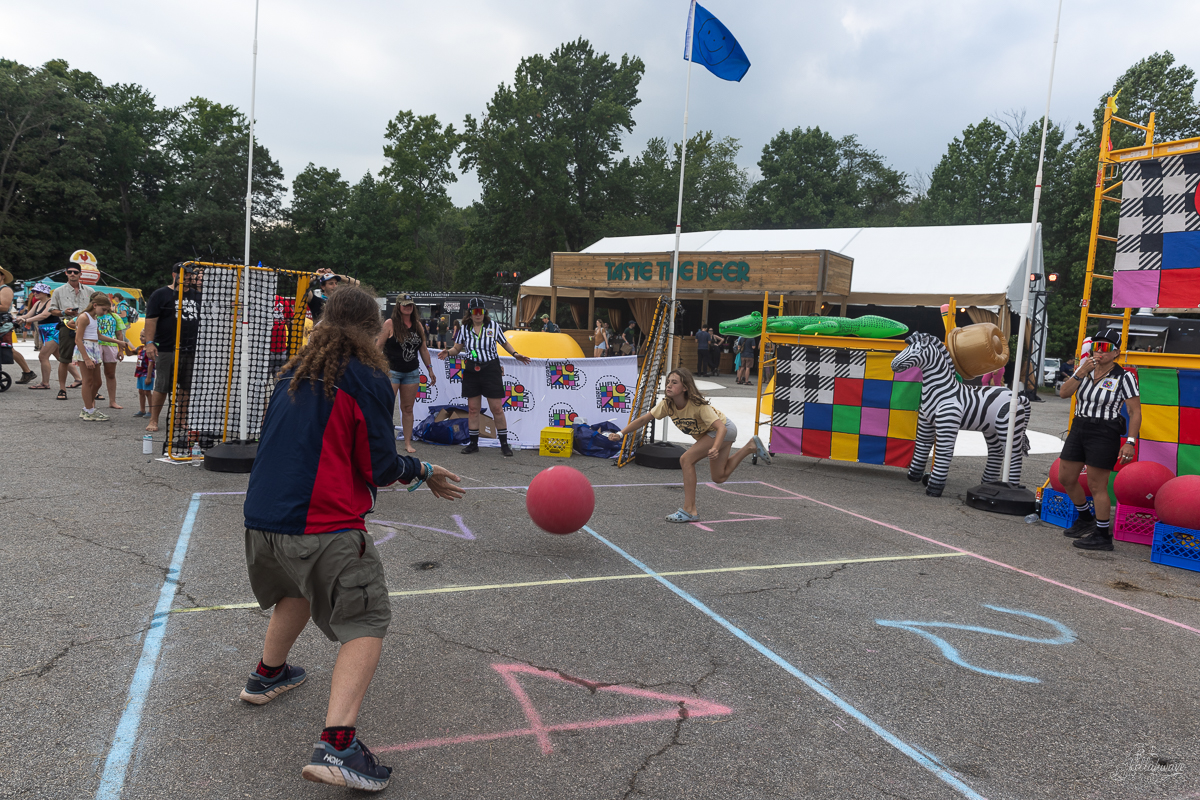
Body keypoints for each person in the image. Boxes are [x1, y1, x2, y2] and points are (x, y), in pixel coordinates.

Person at [240, 286, 464, 791]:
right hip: (322, 523)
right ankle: (338, 745)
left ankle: (267, 674)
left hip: (262, 521)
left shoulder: (295, 372)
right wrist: (423, 468)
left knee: (297, 588)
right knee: (366, 618)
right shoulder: (365, 377)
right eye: (384, 320)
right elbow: (381, 466)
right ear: (373, 327)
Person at [606, 368, 771, 522]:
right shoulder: (667, 404)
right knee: (719, 477)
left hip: (723, 430)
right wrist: (621, 434)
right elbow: (643, 419)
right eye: (668, 381)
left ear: (685, 387)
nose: (669, 385)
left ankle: (689, 510)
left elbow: (720, 427)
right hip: (716, 433)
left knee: (686, 459)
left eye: (674, 382)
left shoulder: (698, 405)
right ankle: (751, 446)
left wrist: (715, 447)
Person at [1056, 328, 1142, 551]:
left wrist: (1130, 442)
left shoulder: (1125, 377)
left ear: (1116, 352)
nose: (1099, 352)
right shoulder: (1083, 370)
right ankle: (1086, 518)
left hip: (1105, 431)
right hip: (1080, 426)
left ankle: (1103, 536)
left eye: (1104, 348)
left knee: (1096, 484)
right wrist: (1080, 372)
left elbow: (1134, 411)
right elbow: (1064, 393)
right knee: (1065, 476)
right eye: (1096, 347)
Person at [437, 297, 532, 457]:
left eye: (481, 311)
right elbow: (457, 348)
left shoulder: (493, 326)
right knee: (473, 409)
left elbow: (504, 343)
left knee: (497, 408)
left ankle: (504, 444)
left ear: (484, 312)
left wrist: (515, 354)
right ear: (470, 313)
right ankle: (473, 444)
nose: (478, 314)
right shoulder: (465, 328)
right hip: (472, 370)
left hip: (490, 369)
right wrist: (448, 352)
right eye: (475, 311)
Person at [143, 264, 201, 433]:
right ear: (174, 275)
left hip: (190, 348)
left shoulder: (197, 296)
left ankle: (180, 419)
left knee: (186, 386)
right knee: (162, 385)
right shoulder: (161, 295)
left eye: (191, 275)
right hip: (167, 348)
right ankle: (154, 420)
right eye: (185, 274)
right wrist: (149, 343)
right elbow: (151, 320)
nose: (188, 277)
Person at [376, 293, 435, 454]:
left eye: (410, 305)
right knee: (386, 406)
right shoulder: (390, 324)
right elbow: (379, 346)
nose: (407, 307)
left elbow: (423, 349)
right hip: (392, 370)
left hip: (411, 372)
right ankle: (384, 440)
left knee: (408, 408)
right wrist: (373, 365)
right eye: (404, 305)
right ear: (398, 306)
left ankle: (407, 443)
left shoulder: (417, 325)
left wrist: (430, 369)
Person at [73, 294, 122, 421]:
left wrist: (119, 342)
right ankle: (88, 410)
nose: (105, 312)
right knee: (87, 381)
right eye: (104, 309)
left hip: (94, 348)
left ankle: (88, 407)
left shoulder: (94, 317)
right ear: (95, 305)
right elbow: (78, 339)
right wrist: (86, 358)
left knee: (97, 382)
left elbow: (98, 336)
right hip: (86, 349)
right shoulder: (84, 317)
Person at [49, 265, 94, 399]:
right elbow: (52, 310)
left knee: (90, 359)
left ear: (80, 274)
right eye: (70, 272)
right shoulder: (58, 291)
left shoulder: (90, 290)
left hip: (86, 327)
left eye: (75, 272)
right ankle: (62, 389)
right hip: (67, 325)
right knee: (64, 359)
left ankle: (93, 389)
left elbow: (96, 308)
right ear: (66, 273)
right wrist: (64, 312)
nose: (72, 274)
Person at [0, 267, 37, 384]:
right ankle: (27, 372)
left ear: (2, 276)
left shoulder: (5, 289)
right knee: (8, 349)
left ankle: (28, 372)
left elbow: (4, 307)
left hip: (2, 325)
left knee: (8, 349)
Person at [97, 294, 129, 409]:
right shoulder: (92, 315)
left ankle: (112, 401)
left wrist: (121, 351)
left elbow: (119, 334)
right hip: (96, 346)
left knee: (110, 374)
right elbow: (73, 323)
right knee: (94, 375)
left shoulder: (115, 316)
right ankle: (91, 400)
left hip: (111, 346)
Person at [133, 345, 154, 417]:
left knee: (147, 392)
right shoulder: (140, 348)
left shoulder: (151, 349)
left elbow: (151, 363)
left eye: (143, 336)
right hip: (140, 373)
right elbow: (130, 353)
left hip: (147, 373)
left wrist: (149, 377)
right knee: (141, 391)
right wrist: (126, 346)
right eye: (140, 336)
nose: (141, 338)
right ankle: (142, 410)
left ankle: (151, 411)